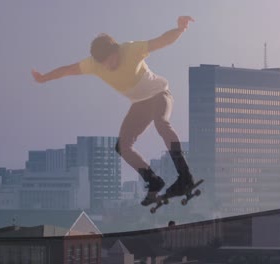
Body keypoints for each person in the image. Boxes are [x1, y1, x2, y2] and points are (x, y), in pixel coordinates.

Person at [32, 16, 195, 206]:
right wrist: (44, 78)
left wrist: (180, 29)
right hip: (140, 104)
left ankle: (185, 176)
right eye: (102, 64)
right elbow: (69, 70)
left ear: (115, 51)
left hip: (160, 94)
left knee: (161, 123)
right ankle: (153, 181)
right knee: (123, 147)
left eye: (109, 61)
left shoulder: (131, 49)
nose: (107, 67)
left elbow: (161, 41)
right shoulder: (94, 64)